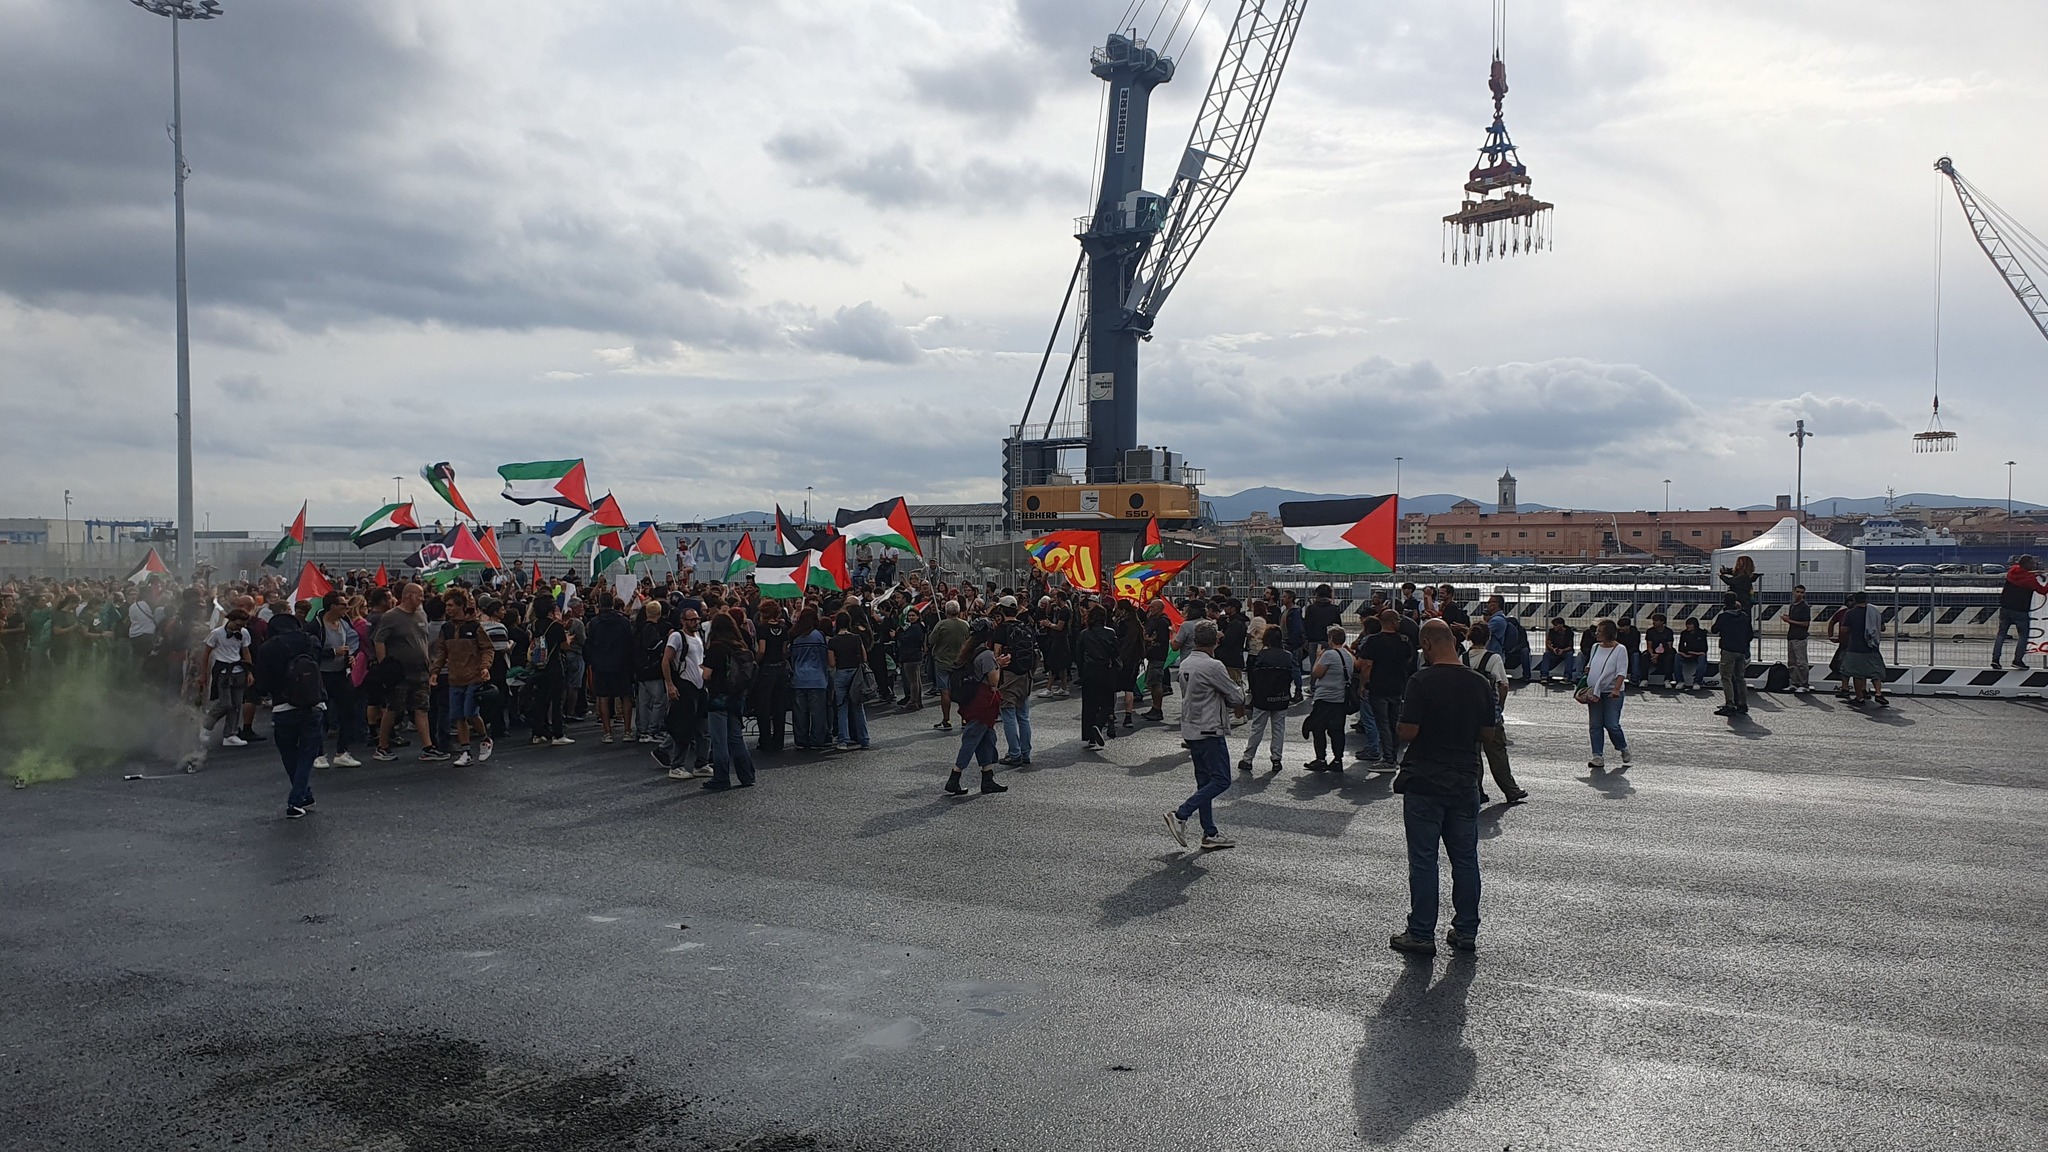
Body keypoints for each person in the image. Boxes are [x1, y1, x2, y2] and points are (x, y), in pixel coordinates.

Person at [1388, 619, 1497, 958]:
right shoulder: (1480, 683)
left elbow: (1407, 731)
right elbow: (1488, 735)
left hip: (1425, 778)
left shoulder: (1421, 681)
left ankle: (1421, 933)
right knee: (1465, 860)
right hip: (1464, 778)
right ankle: (1466, 930)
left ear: (1426, 644)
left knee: (1424, 860)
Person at [1163, 621, 1245, 851]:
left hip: (1191, 726)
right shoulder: (1214, 666)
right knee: (1221, 779)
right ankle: (1181, 814)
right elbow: (1236, 696)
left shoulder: (1187, 662)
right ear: (1216, 641)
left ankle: (1210, 832)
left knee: (1205, 782)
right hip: (1210, 727)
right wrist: (1239, 691)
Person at [254, 610, 326, 819]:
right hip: (314, 702)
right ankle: (303, 795)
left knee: (288, 751)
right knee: (307, 753)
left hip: (283, 706)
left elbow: (262, 684)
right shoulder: (310, 641)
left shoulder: (268, 647)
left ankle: (297, 798)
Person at [374, 583, 445, 762]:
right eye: (419, 595)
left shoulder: (421, 614)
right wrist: (385, 666)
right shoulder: (391, 617)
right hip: (399, 673)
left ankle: (428, 747)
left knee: (422, 708)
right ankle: (382, 747)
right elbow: (379, 640)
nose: (422, 599)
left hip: (421, 671)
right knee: (394, 709)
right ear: (408, 596)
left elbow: (424, 641)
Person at [1463, 621, 1528, 803]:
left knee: (1473, 755)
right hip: (1489, 713)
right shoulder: (1493, 659)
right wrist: (1500, 707)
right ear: (1488, 638)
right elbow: (1504, 685)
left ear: (1469, 637)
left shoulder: (1462, 658)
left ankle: (1477, 790)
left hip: (1468, 713)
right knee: (1497, 752)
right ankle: (1510, 789)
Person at [945, 619, 1009, 796]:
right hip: (983, 704)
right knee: (972, 739)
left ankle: (987, 778)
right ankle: (954, 777)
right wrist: (999, 665)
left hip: (972, 701)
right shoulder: (987, 654)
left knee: (987, 739)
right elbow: (993, 681)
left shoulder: (969, 651)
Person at [433, 589, 495, 765]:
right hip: (454, 678)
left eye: (451, 605)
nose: (448, 608)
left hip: (474, 677)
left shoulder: (475, 627)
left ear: (460, 606)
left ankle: (485, 739)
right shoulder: (446, 629)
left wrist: (484, 667)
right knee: (457, 716)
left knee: (469, 712)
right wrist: (435, 671)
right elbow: (441, 652)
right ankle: (466, 751)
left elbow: (487, 648)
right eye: (447, 605)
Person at [701, 613, 757, 789]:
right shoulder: (740, 646)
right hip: (737, 696)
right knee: (736, 738)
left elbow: (707, 675)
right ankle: (746, 775)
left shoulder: (716, 647)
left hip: (718, 697)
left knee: (719, 740)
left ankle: (722, 777)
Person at [1359, 610, 1414, 768]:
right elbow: (1409, 659)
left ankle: (1388, 758)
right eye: (1397, 619)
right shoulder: (1404, 640)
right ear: (1391, 621)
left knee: (1382, 723)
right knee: (1394, 722)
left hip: (1378, 686)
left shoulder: (1373, 641)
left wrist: (1363, 684)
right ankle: (1393, 756)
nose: (1399, 622)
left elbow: (1367, 665)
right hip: (1397, 686)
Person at [659, 606, 709, 775]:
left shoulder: (699, 635)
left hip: (700, 686)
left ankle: (701, 764)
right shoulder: (677, 637)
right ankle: (677, 766)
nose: (696, 622)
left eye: (697, 619)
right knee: (683, 728)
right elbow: (666, 661)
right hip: (685, 685)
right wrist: (670, 685)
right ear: (683, 621)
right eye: (692, 620)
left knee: (703, 729)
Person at [1238, 627, 1294, 772]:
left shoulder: (1263, 655)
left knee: (1257, 728)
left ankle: (1248, 759)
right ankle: (1276, 759)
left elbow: (1256, 675)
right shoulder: (1287, 655)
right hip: (1281, 696)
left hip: (1263, 697)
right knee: (1278, 729)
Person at [199, 608, 256, 749]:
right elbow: (206, 653)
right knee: (225, 703)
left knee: (236, 704)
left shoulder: (243, 633)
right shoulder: (216, 633)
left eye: (242, 625)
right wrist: (203, 674)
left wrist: (250, 672)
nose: (240, 628)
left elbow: (246, 652)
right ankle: (205, 725)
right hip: (223, 671)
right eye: (238, 624)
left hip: (239, 670)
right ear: (230, 620)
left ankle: (230, 734)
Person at [583, 593, 636, 743]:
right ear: (613, 603)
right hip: (622, 664)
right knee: (625, 697)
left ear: (599, 603)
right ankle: (627, 731)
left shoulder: (594, 623)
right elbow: (630, 643)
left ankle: (607, 732)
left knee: (603, 698)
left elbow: (589, 645)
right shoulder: (624, 622)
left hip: (601, 665)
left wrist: (592, 661)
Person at [524, 597, 574, 749]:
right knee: (557, 700)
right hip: (554, 665)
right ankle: (558, 734)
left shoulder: (534, 624)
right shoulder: (555, 626)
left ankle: (538, 733)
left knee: (540, 698)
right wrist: (569, 638)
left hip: (539, 665)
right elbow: (565, 646)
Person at [1584, 619, 1632, 768]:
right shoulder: (1595, 647)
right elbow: (1591, 664)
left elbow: (1621, 672)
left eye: (1600, 631)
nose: (1596, 633)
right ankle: (1597, 755)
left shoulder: (1620, 649)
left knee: (1612, 724)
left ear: (1608, 633)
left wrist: (1616, 689)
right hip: (1595, 691)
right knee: (1595, 724)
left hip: (1611, 691)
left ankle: (1622, 747)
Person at [993, 602, 1037, 766]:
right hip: (1025, 675)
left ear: (1003, 611)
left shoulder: (1002, 629)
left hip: (1008, 675)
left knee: (1008, 715)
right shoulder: (1026, 628)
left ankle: (1014, 752)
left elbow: (997, 653)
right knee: (1024, 716)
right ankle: (1026, 753)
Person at [1304, 625, 1352, 770]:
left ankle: (1321, 759)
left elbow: (1317, 673)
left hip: (1325, 697)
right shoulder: (1348, 655)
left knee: (1318, 728)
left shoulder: (1328, 655)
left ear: (1330, 639)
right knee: (1337, 730)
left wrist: (1318, 656)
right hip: (1340, 698)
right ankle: (1338, 760)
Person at [1076, 603, 1120, 749]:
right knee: (1107, 703)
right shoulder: (1110, 632)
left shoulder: (1084, 634)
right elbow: (1115, 652)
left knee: (1089, 704)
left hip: (1089, 670)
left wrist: (1081, 672)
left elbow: (1079, 655)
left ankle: (1090, 737)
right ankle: (1098, 725)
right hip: (1106, 670)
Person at [1835, 591, 1890, 707]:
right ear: (1866, 600)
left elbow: (1844, 629)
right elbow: (1883, 628)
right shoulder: (1874, 612)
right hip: (1872, 647)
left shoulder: (1850, 613)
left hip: (1855, 647)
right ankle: (1879, 693)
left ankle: (1859, 697)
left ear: (1854, 600)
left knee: (1857, 673)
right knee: (1875, 671)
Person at [788, 606, 832, 752]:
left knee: (800, 712)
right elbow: (823, 656)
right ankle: (817, 739)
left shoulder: (795, 637)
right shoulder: (818, 636)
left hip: (799, 678)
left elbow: (792, 657)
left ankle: (801, 739)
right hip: (817, 678)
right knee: (817, 712)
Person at [1993, 555, 2047, 671]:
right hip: (2020, 610)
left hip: (2005, 607)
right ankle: (2017, 660)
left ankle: (1995, 660)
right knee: (2023, 635)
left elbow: (2023, 572)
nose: (2033, 565)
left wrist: (2035, 573)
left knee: (2001, 634)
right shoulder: (2030, 579)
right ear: (2027, 565)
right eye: (2032, 564)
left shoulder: (2012, 571)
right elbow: (2043, 591)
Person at [827, 610, 870, 752]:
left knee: (842, 707)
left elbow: (832, 663)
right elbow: (864, 657)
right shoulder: (856, 638)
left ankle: (843, 740)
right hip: (856, 673)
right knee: (858, 707)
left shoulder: (833, 641)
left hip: (841, 673)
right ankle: (864, 739)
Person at [1709, 593, 1754, 717]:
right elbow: (1750, 634)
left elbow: (1714, 629)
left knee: (1726, 677)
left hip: (1728, 649)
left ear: (1724, 602)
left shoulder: (1724, 617)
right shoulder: (1744, 616)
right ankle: (1742, 704)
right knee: (1740, 678)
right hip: (1741, 650)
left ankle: (1730, 704)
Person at [927, 600, 970, 731]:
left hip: (943, 662)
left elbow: (931, 640)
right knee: (962, 690)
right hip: (960, 662)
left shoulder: (941, 624)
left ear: (946, 611)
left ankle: (946, 720)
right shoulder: (965, 624)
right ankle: (965, 719)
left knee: (945, 691)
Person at [1142, 600, 1172, 721]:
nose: (1150, 609)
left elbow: (1159, 639)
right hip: (1152, 655)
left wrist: (1148, 639)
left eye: (1153, 607)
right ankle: (1154, 708)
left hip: (1158, 655)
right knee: (1152, 683)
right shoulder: (1154, 619)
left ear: (1160, 608)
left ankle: (1157, 709)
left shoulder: (1162, 622)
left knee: (1156, 683)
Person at [896, 606, 927, 710]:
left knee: (913, 680)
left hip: (911, 656)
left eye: (913, 615)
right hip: (915, 655)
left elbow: (906, 639)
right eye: (909, 616)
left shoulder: (915, 628)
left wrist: (897, 634)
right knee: (917, 680)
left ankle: (913, 701)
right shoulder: (918, 627)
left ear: (918, 616)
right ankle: (918, 701)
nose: (911, 617)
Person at [1783, 586, 1813, 693]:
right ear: (1793, 592)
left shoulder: (1804, 607)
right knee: (1792, 662)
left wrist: (1789, 620)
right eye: (1798, 592)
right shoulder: (1793, 606)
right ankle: (1794, 682)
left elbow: (1806, 623)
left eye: (1802, 592)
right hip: (1791, 636)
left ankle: (1804, 683)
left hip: (1800, 637)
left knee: (1801, 662)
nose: (1799, 594)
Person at [1537, 616, 1577, 682]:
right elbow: (1548, 644)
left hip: (1565, 651)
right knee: (1546, 654)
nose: (1554, 627)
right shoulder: (1552, 631)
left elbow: (1570, 646)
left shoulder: (1569, 632)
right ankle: (1544, 675)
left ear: (1561, 625)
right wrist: (1553, 649)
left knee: (1569, 655)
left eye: (1555, 625)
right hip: (1555, 650)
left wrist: (1562, 650)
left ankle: (1567, 676)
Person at [1676, 616, 1709, 691]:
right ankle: (1680, 681)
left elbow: (1704, 649)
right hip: (1688, 653)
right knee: (1677, 656)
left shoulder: (1701, 633)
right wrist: (1687, 653)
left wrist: (1693, 653)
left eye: (1690, 624)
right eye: (1687, 624)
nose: (1688, 626)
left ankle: (1697, 681)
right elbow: (1681, 647)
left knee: (1702, 658)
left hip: (1697, 654)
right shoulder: (1684, 633)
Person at [1642, 612, 1675, 688]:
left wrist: (1659, 655)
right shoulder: (1650, 631)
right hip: (1653, 652)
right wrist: (1652, 655)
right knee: (1644, 656)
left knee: (1669, 657)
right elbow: (1649, 646)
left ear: (1662, 622)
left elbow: (1669, 647)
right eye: (1653, 620)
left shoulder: (1668, 632)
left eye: (1656, 621)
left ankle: (1667, 679)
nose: (1654, 622)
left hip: (1666, 652)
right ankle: (1644, 679)